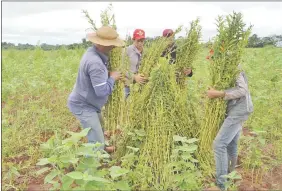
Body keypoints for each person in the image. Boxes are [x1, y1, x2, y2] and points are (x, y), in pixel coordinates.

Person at [67, 26, 125, 153]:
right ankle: (91, 169)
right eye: (111, 45)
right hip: (84, 105)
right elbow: (102, 91)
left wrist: (107, 74)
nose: (113, 47)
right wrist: (113, 78)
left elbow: (95, 77)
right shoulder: (95, 63)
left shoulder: (91, 52)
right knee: (96, 142)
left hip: (89, 103)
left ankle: (103, 149)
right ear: (102, 44)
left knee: (100, 128)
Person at [206, 66, 254, 191]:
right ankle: (230, 177)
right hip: (239, 109)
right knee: (231, 145)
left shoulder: (235, 66)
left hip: (238, 111)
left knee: (219, 144)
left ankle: (221, 185)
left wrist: (219, 94)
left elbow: (243, 90)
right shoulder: (226, 64)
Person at [124, 29, 148, 98]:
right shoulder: (127, 50)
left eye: (142, 41)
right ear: (133, 39)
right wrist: (134, 77)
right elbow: (122, 68)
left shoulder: (146, 52)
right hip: (127, 84)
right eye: (138, 40)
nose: (140, 43)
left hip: (140, 85)